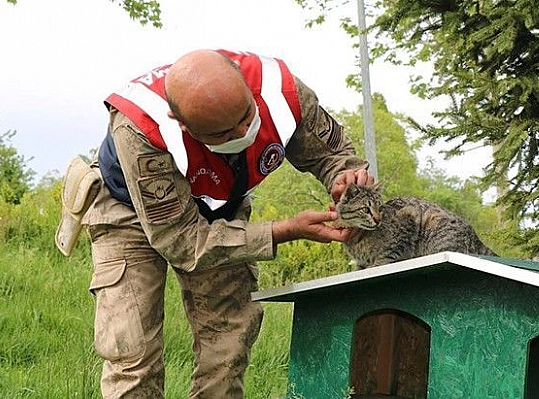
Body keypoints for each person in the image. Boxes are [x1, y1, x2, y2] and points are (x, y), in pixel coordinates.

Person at [69, 49, 373, 398]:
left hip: (220, 205)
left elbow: (333, 154)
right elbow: (182, 241)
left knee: (229, 341)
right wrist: (284, 231)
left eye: (246, 116)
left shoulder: (282, 90)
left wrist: (344, 177)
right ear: (182, 124)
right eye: (224, 133)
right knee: (133, 352)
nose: (245, 131)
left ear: (245, 84)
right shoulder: (140, 129)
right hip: (127, 211)